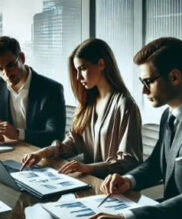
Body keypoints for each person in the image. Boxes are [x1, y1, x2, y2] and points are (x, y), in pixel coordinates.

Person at [76, 37, 182, 219]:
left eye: (148, 82)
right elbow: (156, 163)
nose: (143, 91)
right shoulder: (169, 114)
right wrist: (128, 180)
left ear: (174, 77)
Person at [21, 38, 142, 179]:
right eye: (76, 71)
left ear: (101, 64)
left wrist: (88, 168)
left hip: (114, 189)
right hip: (90, 182)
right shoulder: (88, 103)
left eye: (83, 69)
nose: (78, 77)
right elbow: (73, 141)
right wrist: (43, 153)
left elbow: (129, 162)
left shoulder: (125, 105)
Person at [0, 36, 65, 147]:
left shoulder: (51, 89)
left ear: (22, 58)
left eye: (10, 65)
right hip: (10, 153)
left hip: (40, 156)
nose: (6, 74)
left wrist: (19, 134)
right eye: (0, 69)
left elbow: (56, 135)